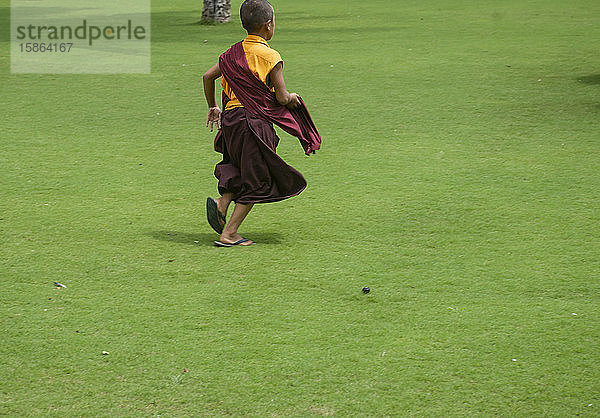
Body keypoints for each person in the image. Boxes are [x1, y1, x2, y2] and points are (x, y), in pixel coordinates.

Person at [203, 0, 321, 247]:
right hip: (254, 123)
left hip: (231, 122)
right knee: (259, 177)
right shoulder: (270, 56)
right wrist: (293, 98)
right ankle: (229, 234)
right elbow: (281, 96)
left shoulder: (230, 54)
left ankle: (221, 203)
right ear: (269, 25)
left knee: (238, 166)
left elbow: (207, 76)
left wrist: (213, 106)